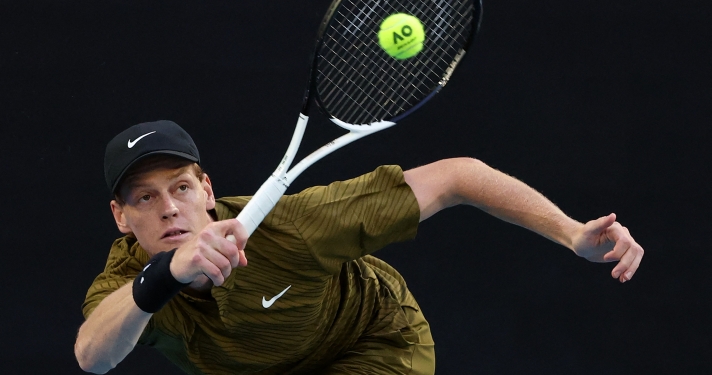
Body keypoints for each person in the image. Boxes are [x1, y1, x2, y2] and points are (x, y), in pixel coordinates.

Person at [75, 120, 643, 375]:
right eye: (144, 199)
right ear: (120, 218)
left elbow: (456, 177)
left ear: (206, 190)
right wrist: (165, 276)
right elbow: (93, 358)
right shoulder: (124, 279)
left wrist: (571, 233)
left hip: (375, 344)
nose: (168, 209)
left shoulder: (293, 227)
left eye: (179, 188)